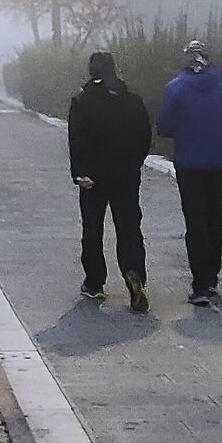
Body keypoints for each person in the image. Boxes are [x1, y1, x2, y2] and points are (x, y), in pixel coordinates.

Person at [155, 39, 222, 306]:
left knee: (195, 222)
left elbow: (163, 126)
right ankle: (212, 278)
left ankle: (200, 284)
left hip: (189, 163)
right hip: (219, 163)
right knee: (215, 217)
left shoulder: (175, 90)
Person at [67, 50, 154, 312]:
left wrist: (80, 173)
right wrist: (134, 163)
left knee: (93, 229)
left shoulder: (82, 101)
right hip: (126, 176)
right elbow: (144, 136)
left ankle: (94, 282)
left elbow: (77, 140)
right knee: (129, 228)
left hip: (93, 178)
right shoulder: (133, 101)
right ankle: (133, 272)